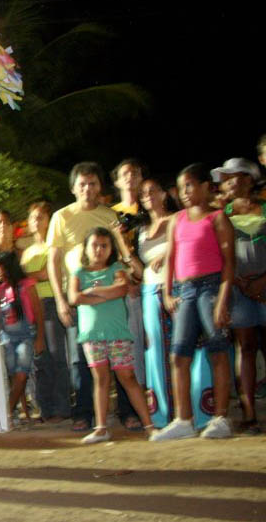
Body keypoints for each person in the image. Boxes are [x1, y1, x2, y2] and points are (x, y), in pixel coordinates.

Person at [47, 162, 141, 432]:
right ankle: (84, 413)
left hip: (112, 296)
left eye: (93, 184)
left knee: (120, 355)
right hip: (78, 297)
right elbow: (53, 261)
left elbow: (119, 252)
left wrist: (127, 280)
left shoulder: (109, 215)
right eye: (82, 184)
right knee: (81, 358)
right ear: (73, 188)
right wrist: (61, 299)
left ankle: (127, 412)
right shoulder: (61, 217)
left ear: (100, 187)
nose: (88, 189)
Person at [152, 164, 236, 441]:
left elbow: (229, 263)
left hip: (211, 286)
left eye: (190, 185)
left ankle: (220, 417)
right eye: (181, 187)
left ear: (204, 187)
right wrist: (166, 292)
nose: (185, 192)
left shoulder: (218, 219)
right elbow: (171, 258)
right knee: (178, 355)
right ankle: (183, 420)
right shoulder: (177, 219)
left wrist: (223, 299)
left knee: (218, 351)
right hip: (184, 289)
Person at [68, 228, 153, 444]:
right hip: (92, 335)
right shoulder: (79, 273)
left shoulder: (116, 268)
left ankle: (149, 426)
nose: (99, 250)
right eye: (94, 245)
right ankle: (101, 428)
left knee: (128, 378)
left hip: (117, 333)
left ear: (111, 249)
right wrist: (104, 293)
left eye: (104, 245)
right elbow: (74, 297)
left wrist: (91, 294)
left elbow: (122, 288)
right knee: (101, 379)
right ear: (86, 248)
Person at [212, 158, 266, 434]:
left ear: (249, 179)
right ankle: (248, 415)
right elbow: (216, 255)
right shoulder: (221, 215)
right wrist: (242, 283)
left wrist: (262, 281)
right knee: (244, 348)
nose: (229, 182)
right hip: (238, 289)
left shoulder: (265, 209)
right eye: (226, 178)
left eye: (235, 176)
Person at [20, 202, 70, 422]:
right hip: (32, 306)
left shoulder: (54, 246)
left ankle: (62, 407)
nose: (37, 221)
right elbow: (28, 278)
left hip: (50, 301)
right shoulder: (27, 252)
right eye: (33, 218)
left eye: (41, 217)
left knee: (57, 357)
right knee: (40, 359)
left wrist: (31, 276)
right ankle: (46, 408)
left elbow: (47, 273)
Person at [110, 158, 149, 430]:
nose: (130, 177)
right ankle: (129, 409)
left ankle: (159, 400)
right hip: (128, 287)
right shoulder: (111, 213)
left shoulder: (151, 205)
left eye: (135, 172)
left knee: (154, 346)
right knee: (130, 348)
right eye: (125, 173)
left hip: (156, 283)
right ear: (116, 181)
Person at [0, 251, 45, 423]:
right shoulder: (0, 290)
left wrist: (40, 338)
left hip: (26, 336)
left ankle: (6, 412)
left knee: (21, 375)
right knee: (15, 376)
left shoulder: (27, 285)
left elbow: (38, 312)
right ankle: (23, 412)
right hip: (7, 336)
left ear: (7, 267)